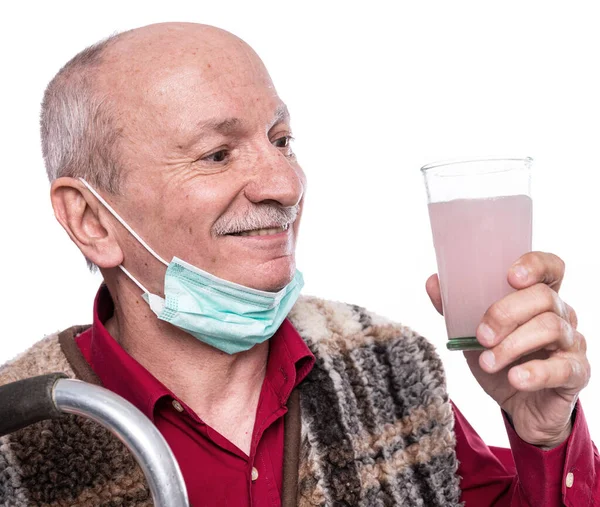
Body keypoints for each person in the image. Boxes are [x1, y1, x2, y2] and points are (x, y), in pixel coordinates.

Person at [0, 22, 597, 507]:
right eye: (217, 154)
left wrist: (544, 434)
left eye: (281, 140)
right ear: (90, 221)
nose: (286, 184)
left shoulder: (388, 367)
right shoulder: (12, 434)